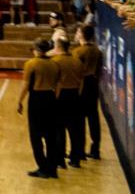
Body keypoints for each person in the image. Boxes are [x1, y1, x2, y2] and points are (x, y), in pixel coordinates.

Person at [17, 38, 62, 178]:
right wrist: (54, 98)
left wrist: (19, 101)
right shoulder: (55, 64)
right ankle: (52, 168)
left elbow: (26, 85)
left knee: (35, 136)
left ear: (36, 49)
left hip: (37, 99)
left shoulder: (31, 64)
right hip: (51, 98)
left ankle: (43, 167)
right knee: (51, 136)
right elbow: (59, 85)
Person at [52, 37, 85, 170]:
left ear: (58, 47)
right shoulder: (77, 61)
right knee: (75, 130)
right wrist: (78, 94)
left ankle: (60, 159)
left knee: (59, 129)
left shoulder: (56, 61)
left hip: (61, 96)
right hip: (75, 95)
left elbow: (56, 82)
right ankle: (75, 159)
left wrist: (54, 98)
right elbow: (82, 81)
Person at [73, 25, 102, 160]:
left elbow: (75, 71)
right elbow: (99, 71)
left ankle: (80, 150)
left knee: (79, 119)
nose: (76, 33)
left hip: (82, 84)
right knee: (93, 117)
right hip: (93, 84)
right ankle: (95, 149)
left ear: (82, 35)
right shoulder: (97, 51)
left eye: (78, 31)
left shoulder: (78, 52)